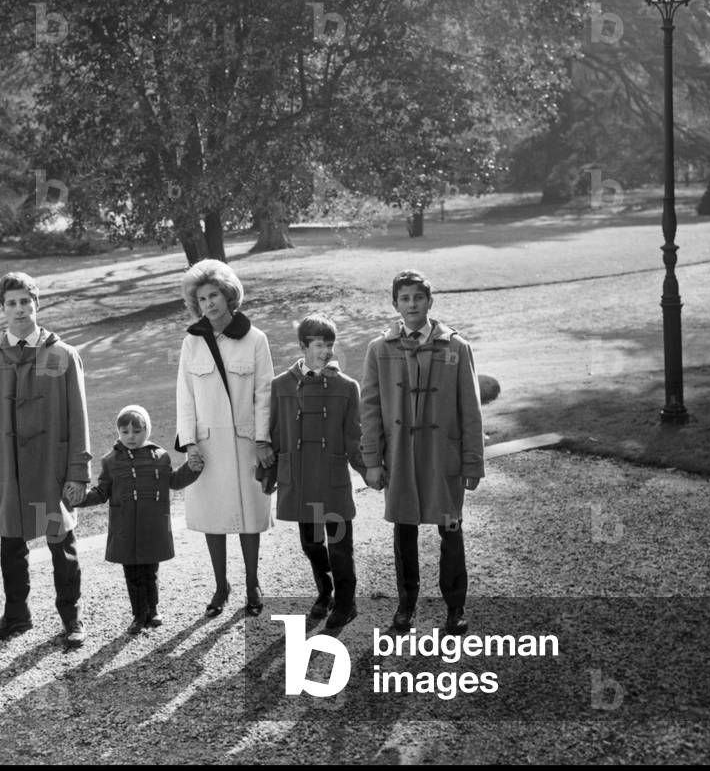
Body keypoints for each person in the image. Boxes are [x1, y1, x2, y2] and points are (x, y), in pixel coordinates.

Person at [0, 271, 92, 647]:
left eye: (26, 301)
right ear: (2, 309)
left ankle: (71, 618)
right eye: (12, 303)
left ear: (37, 304)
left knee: (62, 549)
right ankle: (17, 615)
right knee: (11, 549)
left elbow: (78, 416)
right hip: (8, 475)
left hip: (50, 475)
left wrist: (77, 473)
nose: (20, 309)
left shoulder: (61, 355)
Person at [360, 270, 485, 636]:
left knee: (451, 529)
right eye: (404, 298)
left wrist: (472, 461)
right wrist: (371, 461)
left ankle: (455, 606)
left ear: (430, 301)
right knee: (404, 533)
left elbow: (471, 408)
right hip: (399, 458)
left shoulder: (456, 348)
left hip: (442, 459)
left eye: (418, 297)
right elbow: (369, 408)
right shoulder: (378, 349)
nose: (411, 304)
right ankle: (406, 604)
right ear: (395, 304)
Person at [175, 259, 274, 617]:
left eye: (214, 295)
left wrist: (263, 440)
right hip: (207, 445)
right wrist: (189, 443)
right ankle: (221, 585)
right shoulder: (192, 342)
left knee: (249, 517)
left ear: (229, 296)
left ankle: (252, 583)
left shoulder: (256, 339)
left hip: (247, 442)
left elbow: (264, 393)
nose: (208, 304)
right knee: (212, 518)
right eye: (201, 299)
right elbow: (184, 395)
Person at [65, 405, 202, 635]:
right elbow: (101, 492)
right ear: (118, 432)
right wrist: (80, 499)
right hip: (125, 527)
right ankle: (139, 615)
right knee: (133, 573)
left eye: (136, 431)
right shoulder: (110, 461)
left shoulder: (160, 456)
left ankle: (154, 610)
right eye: (125, 431)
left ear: (146, 431)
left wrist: (193, 469)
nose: (130, 437)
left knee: (151, 569)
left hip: (153, 525)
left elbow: (175, 481)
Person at [268, 314, 366, 630]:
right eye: (319, 345)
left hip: (333, 483)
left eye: (330, 345)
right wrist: (268, 475)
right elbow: (276, 434)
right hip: (299, 483)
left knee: (340, 546)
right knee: (311, 545)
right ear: (303, 346)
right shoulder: (281, 385)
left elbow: (355, 436)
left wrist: (369, 470)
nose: (326, 352)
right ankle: (326, 593)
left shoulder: (347, 387)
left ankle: (347, 603)